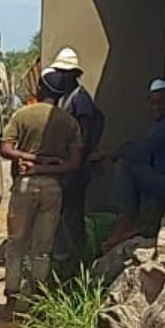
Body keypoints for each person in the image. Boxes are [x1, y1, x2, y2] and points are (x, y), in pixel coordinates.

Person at [0, 72, 82, 306]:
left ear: (39, 87)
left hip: (25, 185)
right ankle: (38, 296)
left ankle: (12, 297)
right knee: (43, 247)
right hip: (53, 186)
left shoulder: (22, 115)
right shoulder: (68, 121)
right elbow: (74, 162)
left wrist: (30, 158)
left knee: (16, 243)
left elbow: (6, 148)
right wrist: (49, 164)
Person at [102, 79, 165, 251]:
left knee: (125, 166)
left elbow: (140, 151)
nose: (154, 107)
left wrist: (115, 153)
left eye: (159, 102)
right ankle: (140, 223)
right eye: (152, 103)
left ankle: (127, 221)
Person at [40, 48, 104, 278]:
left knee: (71, 214)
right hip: (70, 163)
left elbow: (85, 131)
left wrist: (79, 158)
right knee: (66, 213)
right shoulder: (68, 96)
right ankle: (71, 260)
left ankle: (76, 259)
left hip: (76, 166)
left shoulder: (79, 97)